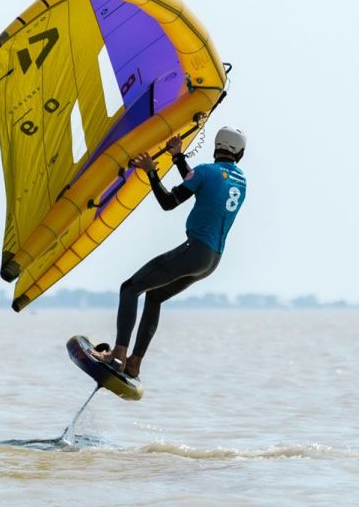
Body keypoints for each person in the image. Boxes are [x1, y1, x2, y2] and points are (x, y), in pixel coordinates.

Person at [91, 126, 247, 380]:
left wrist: (151, 172)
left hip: (194, 252)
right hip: (211, 261)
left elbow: (169, 202)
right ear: (239, 153)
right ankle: (134, 364)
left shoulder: (205, 172)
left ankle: (118, 356)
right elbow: (201, 183)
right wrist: (177, 157)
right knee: (154, 297)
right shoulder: (240, 181)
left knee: (130, 289)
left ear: (216, 147)